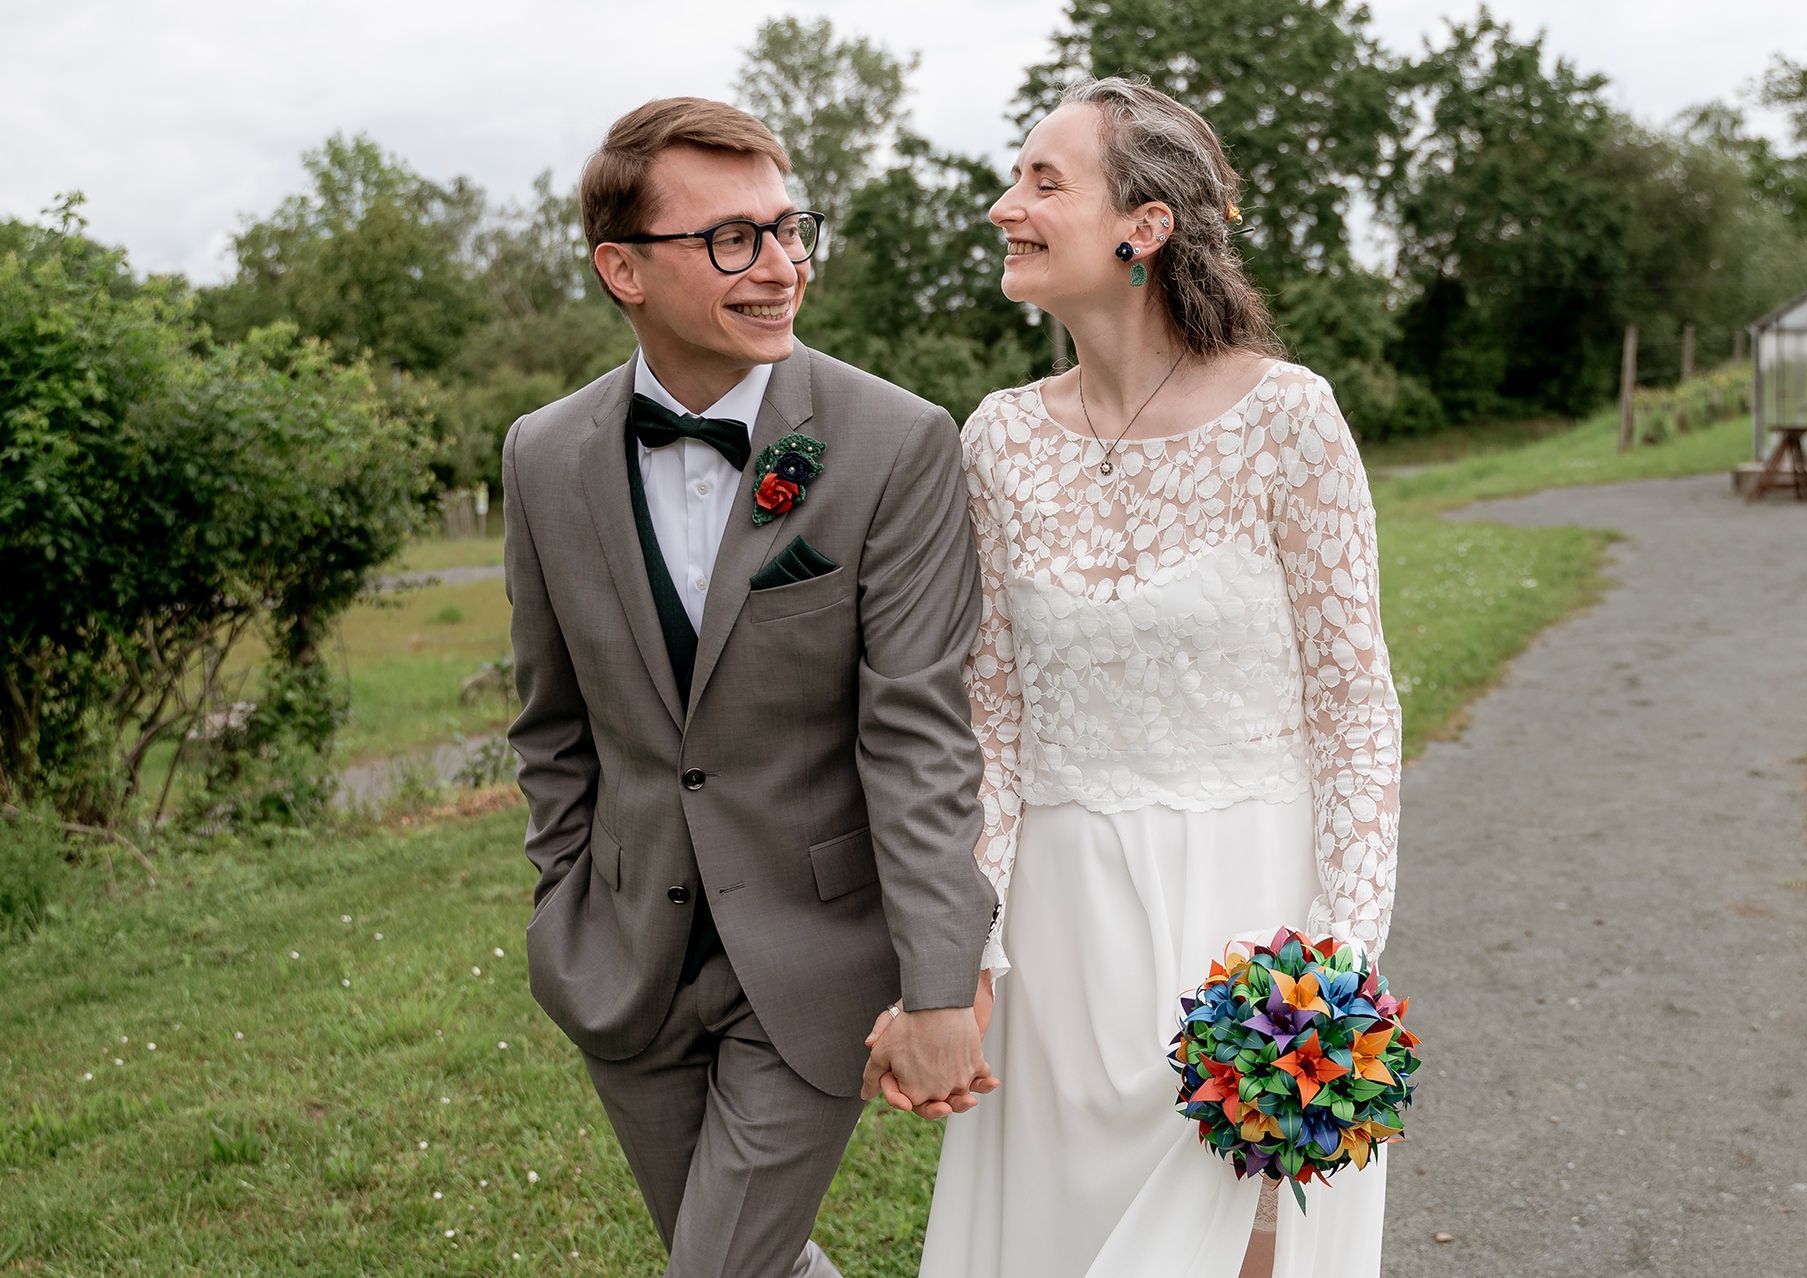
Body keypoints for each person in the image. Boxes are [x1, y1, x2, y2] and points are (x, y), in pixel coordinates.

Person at [890, 76, 1403, 1277]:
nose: (1004, 205)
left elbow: (1355, 709)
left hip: (1254, 915)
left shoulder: (1291, 421)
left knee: (1250, 1240)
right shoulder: (996, 438)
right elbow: (994, 721)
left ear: (1147, 224)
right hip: (1061, 933)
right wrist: (977, 947)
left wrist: (1334, 971)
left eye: (1042, 181)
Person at [501, 97, 997, 1278]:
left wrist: (939, 982)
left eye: (788, 229)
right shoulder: (543, 454)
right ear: (622, 267)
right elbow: (549, 720)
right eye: (733, 239)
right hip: (623, 957)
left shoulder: (897, 442)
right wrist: (562, 893)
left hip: (812, 954)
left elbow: (920, 731)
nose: (782, 267)